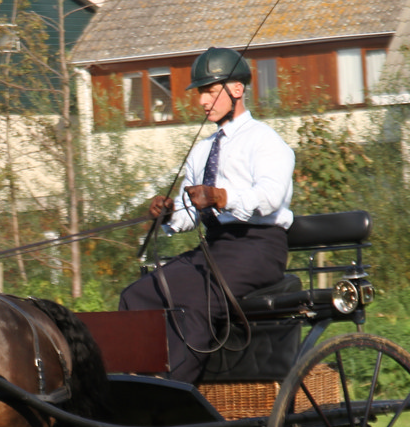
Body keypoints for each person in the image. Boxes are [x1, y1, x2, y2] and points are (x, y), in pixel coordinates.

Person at [118, 47, 295, 384]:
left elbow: (270, 198)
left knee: (194, 299)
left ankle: (174, 389)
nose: (202, 101)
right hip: (215, 248)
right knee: (137, 294)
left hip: (258, 248)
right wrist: (169, 213)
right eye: (201, 93)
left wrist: (221, 197)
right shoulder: (201, 151)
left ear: (237, 89)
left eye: (210, 91)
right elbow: (191, 213)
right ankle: (134, 383)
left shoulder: (266, 141)